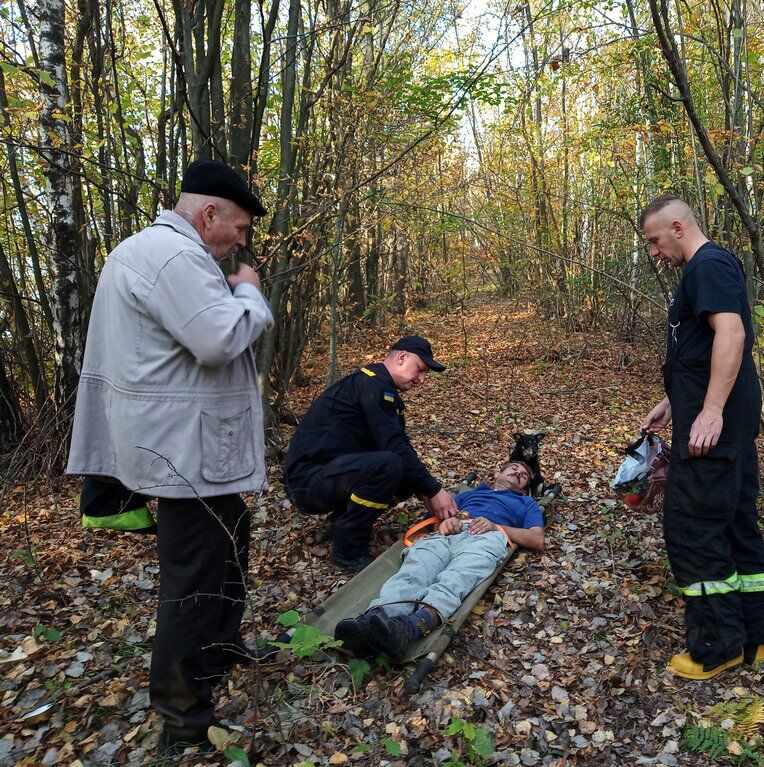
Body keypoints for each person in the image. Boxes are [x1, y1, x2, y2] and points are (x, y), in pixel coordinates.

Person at [66, 159, 273, 755]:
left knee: (229, 543)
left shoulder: (153, 252)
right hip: (186, 453)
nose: (240, 240)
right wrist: (250, 293)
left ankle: (221, 649)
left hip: (190, 447)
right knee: (195, 577)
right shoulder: (172, 258)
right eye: (237, 227)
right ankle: (182, 719)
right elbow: (218, 339)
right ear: (208, 214)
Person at [639, 194, 764, 680]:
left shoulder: (707, 265)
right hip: (720, 419)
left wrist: (711, 411)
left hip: (717, 425)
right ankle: (758, 636)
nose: (655, 253)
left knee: (694, 527)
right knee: (736, 519)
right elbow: (702, 348)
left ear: (678, 228)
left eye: (655, 241)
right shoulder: (708, 268)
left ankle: (717, 646)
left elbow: (732, 335)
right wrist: (673, 403)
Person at [333, 461, 544, 659]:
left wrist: (496, 526)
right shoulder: (469, 494)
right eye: (513, 469)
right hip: (448, 533)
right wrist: (443, 523)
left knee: (457, 578)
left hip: (488, 537)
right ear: (497, 474)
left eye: (523, 475)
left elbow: (536, 539)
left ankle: (410, 629)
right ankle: (374, 620)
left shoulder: (526, 503)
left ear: (524, 488)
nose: (517, 473)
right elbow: (433, 519)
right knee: (415, 570)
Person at [284, 336, 460, 572]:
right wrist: (435, 491)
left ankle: (340, 522)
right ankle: (348, 551)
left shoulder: (380, 387)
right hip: (308, 481)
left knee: (407, 474)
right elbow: (394, 448)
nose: (422, 379)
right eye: (420, 369)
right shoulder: (372, 384)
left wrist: (426, 491)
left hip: (331, 474)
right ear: (401, 357)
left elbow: (402, 447)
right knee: (389, 465)